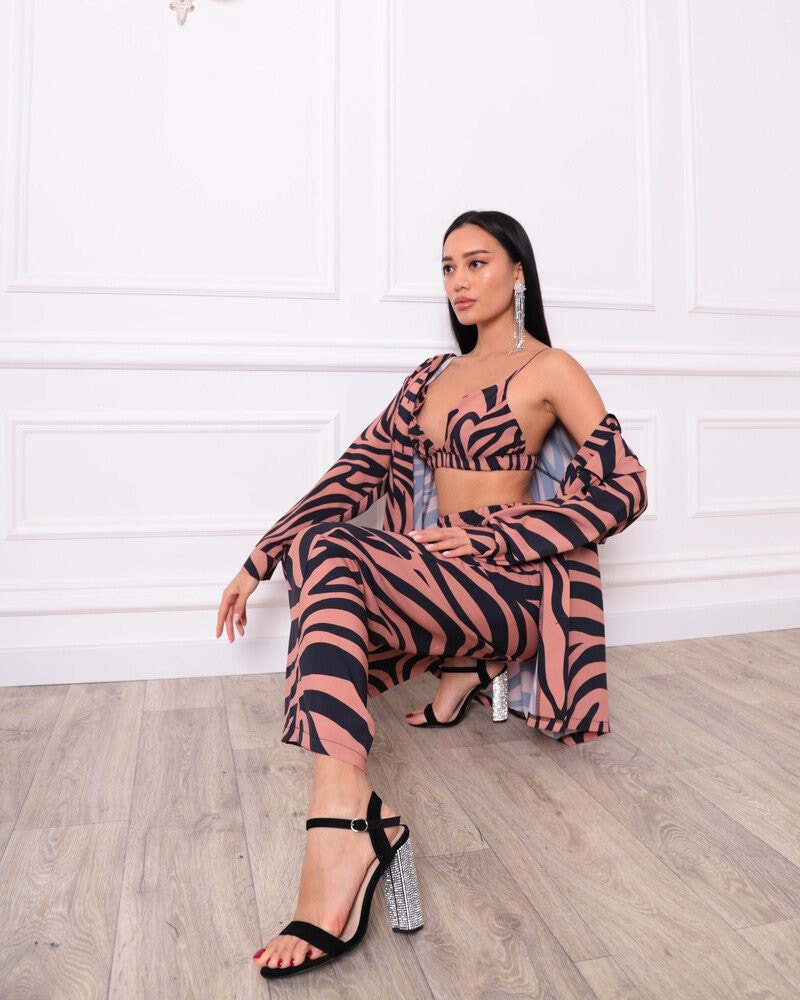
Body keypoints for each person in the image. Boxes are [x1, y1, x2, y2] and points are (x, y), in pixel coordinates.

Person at [216, 210, 648, 979]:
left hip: (511, 587)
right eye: (448, 268)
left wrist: (495, 533)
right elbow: (355, 472)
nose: (458, 282)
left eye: (476, 263)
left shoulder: (552, 369)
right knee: (321, 544)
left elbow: (626, 487)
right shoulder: (430, 377)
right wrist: (261, 556)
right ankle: (351, 809)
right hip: (438, 581)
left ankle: (342, 833)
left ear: (518, 273)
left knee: (330, 552)